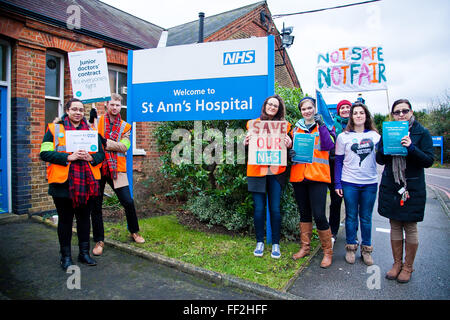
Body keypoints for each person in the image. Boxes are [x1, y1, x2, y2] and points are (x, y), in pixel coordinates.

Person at [40, 98, 105, 270]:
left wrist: (91, 157)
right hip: (63, 185)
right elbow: (44, 153)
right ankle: (66, 256)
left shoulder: (91, 131)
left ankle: (84, 253)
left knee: (84, 220)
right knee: (65, 221)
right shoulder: (54, 129)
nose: (78, 112)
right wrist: (68, 157)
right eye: (74, 109)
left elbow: (101, 155)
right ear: (67, 110)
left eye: (81, 110)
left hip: (87, 184)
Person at [376, 99, 434, 283]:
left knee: (410, 226)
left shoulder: (421, 132)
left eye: (404, 111)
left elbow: (428, 160)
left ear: (411, 112)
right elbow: (380, 159)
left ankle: (408, 267)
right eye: (397, 112)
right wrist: (386, 148)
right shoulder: (388, 131)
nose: (401, 114)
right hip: (392, 183)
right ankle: (396, 264)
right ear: (392, 115)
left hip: (412, 186)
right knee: (394, 224)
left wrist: (411, 147)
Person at [90, 93, 145, 256]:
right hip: (97, 167)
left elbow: (124, 146)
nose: (114, 107)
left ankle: (134, 231)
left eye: (117, 105)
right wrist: (89, 122)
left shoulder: (125, 127)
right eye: (112, 104)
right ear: (107, 105)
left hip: (116, 169)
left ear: (120, 107)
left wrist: (105, 142)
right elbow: (88, 139)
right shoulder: (97, 121)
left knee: (128, 201)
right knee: (96, 206)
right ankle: (99, 240)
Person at [244, 94, 292, 259]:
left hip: (276, 172)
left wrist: (289, 143)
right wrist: (245, 143)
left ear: (279, 109)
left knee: (275, 208)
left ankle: (276, 244)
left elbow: (290, 150)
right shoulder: (252, 124)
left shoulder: (285, 126)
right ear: (265, 105)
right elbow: (249, 150)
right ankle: (260, 242)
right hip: (257, 171)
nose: (272, 107)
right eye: (270, 104)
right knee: (258, 208)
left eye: (276, 106)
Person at [290, 96, 336, 268]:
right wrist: (290, 154)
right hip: (299, 176)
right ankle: (305, 247)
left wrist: (322, 125)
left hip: (318, 177)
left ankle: (327, 252)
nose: (307, 111)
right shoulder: (295, 130)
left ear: (315, 109)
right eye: (304, 109)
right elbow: (290, 149)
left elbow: (328, 146)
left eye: (310, 108)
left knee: (319, 215)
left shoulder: (324, 127)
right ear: (301, 112)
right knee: (304, 214)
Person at [334, 102, 380, 265]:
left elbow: (382, 157)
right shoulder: (343, 137)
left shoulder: (375, 136)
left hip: (370, 183)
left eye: (362, 113)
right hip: (349, 182)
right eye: (355, 113)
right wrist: (338, 183)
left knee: (366, 217)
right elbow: (338, 161)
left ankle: (366, 249)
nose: (359, 115)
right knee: (351, 216)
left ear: (366, 116)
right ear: (351, 117)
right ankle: (351, 247)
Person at [328, 99, 352, 244]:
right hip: (334, 167)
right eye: (342, 107)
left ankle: (352, 233)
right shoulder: (332, 125)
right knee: (335, 201)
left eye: (347, 107)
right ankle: (333, 231)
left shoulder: (356, 126)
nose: (344, 110)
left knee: (351, 202)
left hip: (351, 169)